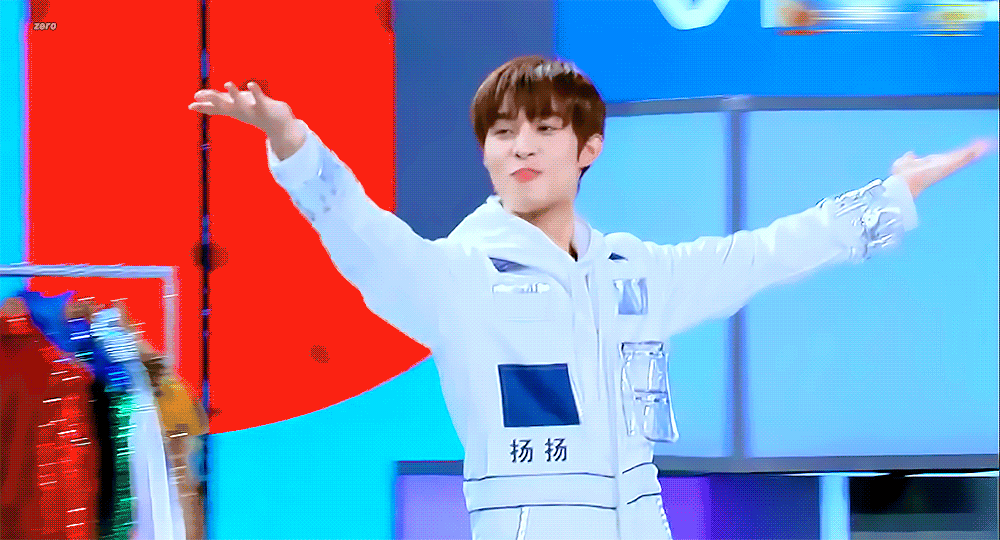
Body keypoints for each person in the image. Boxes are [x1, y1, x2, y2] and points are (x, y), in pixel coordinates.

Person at [187, 55, 994, 539]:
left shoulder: (631, 271)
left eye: (543, 129)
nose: (521, 147)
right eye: (503, 132)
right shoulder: (457, 277)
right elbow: (363, 237)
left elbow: (763, 254)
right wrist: (295, 146)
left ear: (589, 148)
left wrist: (891, 196)